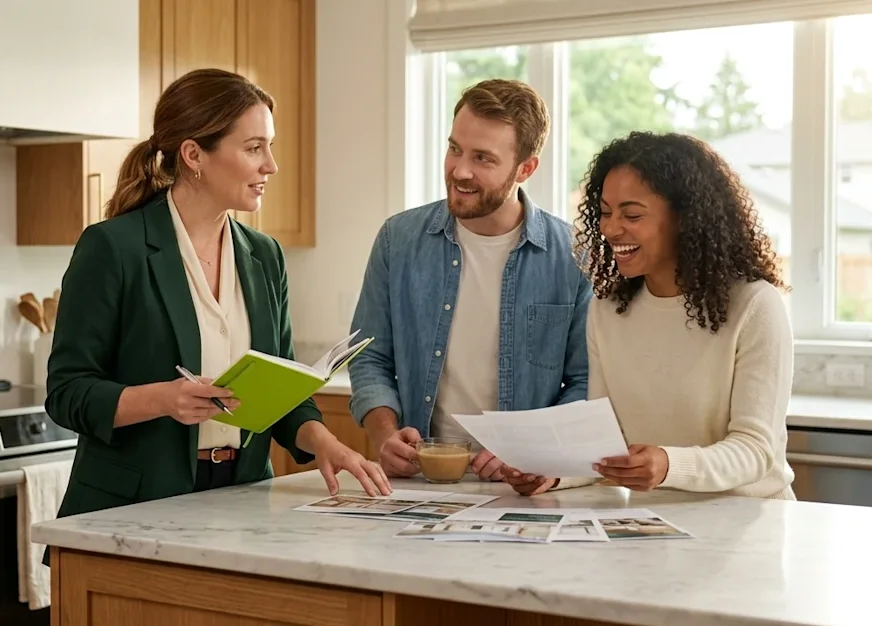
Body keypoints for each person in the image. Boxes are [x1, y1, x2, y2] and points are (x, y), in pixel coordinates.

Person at [45, 68, 391, 531]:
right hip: (131, 509)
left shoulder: (264, 256)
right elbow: (67, 393)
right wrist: (163, 399)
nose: (271, 164)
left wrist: (324, 441)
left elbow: (284, 388)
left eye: (269, 146)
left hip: (244, 496)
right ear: (194, 155)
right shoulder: (113, 248)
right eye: (253, 148)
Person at [506, 131, 795, 499]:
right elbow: (605, 443)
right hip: (655, 526)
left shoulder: (755, 305)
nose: (610, 229)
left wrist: (668, 465)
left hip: (751, 527)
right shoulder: (607, 309)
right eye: (606, 213)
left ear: (686, 219)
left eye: (632, 214)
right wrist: (553, 475)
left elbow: (755, 450)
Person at [348, 78, 593, 487]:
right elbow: (369, 356)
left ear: (526, 168)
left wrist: (532, 448)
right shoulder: (398, 240)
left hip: (523, 489)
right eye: (455, 148)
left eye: (483, 158)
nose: (460, 170)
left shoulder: (573, 256)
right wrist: (384, 434)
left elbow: (588, 381)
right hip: (420, 484)